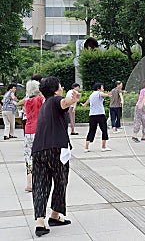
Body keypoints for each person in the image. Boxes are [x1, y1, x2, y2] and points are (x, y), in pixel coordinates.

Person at [31, 76, 81, 237]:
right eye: (60, 86)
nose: (62, 88)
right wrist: (70, 98)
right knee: (60, 181)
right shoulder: (55, 100)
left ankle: (41, 222)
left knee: (40, 184)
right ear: (55, 90)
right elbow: (64, 102)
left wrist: (73, 101)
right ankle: (54, 214)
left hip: (38, 149)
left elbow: (65, 106)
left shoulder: (45, 104)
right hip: (56, 149)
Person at [23, 80, 45, 192]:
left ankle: (29, 183)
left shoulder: (27, 101)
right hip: (39, 130)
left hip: (28, 131)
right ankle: (40, 181)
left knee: (28, 157)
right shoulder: (40, 99)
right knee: (40, 156)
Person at [82, 83, 111, 152]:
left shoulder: (91, 95)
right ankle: (103, 147)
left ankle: (86, 147)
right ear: (99, 88)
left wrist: (84, 105)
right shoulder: (99, 93)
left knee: (91, 130)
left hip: (92, 115)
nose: (103, 89)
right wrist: (108, 95)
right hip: (100, 114)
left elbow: (87, 101)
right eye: (102, 88)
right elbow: (102, 94)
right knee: (104, 130)